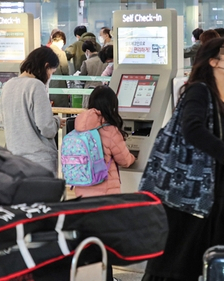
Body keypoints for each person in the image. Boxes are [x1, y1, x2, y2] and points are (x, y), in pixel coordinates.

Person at [142, 37, 224, 281]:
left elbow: (218, 154)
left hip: (218, 205)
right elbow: (193, 130)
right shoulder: (198, 91)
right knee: (175, 270)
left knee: (223, 268)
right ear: (213, 62)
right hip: (188, 203)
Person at [73, 86, 135, 281]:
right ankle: (106, 278)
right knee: (105, 242)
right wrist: (135, 157)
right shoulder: (109, 130)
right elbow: (125, 160)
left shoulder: (79, 127)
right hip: (105, 195)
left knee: (90, 240)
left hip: (82, 192)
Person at [0, 46, 66, 175]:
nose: (50, 76)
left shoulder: (8, 85)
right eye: (52, 72)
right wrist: (56, 121)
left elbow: (1, 121)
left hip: (15, 159)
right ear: (46, 66)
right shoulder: (36, 86)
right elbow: (47, 128)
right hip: (39, 162)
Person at [48, 30, 69, 107]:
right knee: (61, 108)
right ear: (61, 41)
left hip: (47, 85)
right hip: (58, 85)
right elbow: (65, 70)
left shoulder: (44, 51)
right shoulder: (60, 53)